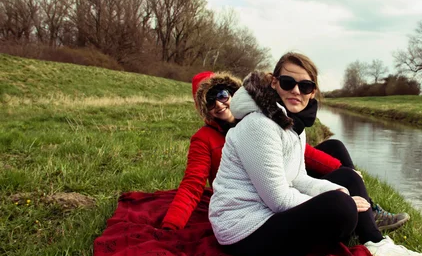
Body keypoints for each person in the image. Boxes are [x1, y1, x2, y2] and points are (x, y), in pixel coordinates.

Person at [209, 53, 422, 256]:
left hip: (268, 212)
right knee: (340, 207)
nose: (296, 91)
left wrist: (340, 189)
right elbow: (278, 200)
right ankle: (363, 230)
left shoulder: (292, 124)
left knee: (348, 177)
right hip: (244, 227)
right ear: (275, 83)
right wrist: (341, 200)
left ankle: (375, 243)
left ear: (312, 92)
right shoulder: (259, 125)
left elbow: (298, 178)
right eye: (288, 83)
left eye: (305, 86)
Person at [161, 71, 408, 231]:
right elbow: (193, 184)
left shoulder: (255, 117)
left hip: (282, 175)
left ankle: (368, 210)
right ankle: (362, 217)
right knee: (337, 188)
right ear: (203, 109)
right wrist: (172, 226)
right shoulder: (204, 139)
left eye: (223, 94)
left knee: (334, 148)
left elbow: (302, 154)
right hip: (255, 193)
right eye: (209, 101)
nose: (218, 103)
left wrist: (345, 172)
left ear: (234, 94)